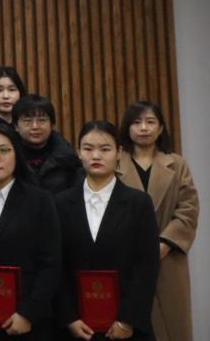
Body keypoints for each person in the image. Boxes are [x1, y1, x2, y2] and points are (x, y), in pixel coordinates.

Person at [57, 121, 159, 341]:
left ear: (119, 153)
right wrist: (69, 318)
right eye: (88, 148)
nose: (96, 155)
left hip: (126, 326)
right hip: (76, 326)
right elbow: (56, 265)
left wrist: (127, 320)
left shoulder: (139, 203)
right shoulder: (60, 203)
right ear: (78, 152)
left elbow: (147, 267)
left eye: (105, 149)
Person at [0, 124, 60, 340]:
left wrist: (28, 314)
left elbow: (51, 263)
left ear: (17, 154)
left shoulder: (40, 201)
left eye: (3, 150)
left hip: (29, 322)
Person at [115, 102, 198, 341]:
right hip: (125, 256)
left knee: (170, 328)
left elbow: (188, 210)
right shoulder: (115, 162)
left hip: (167, 257)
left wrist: (163, 244)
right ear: (127, 128)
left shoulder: (177, 163)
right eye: (136, 122)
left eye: (150, 122)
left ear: (161, 128)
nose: (144, 128)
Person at [12, 94, 83, 195]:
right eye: (27, 121)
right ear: (16, 126)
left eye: (42, 120)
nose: (35, 126)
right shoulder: (7, 159)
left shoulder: (68, 159)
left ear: (52, 124)